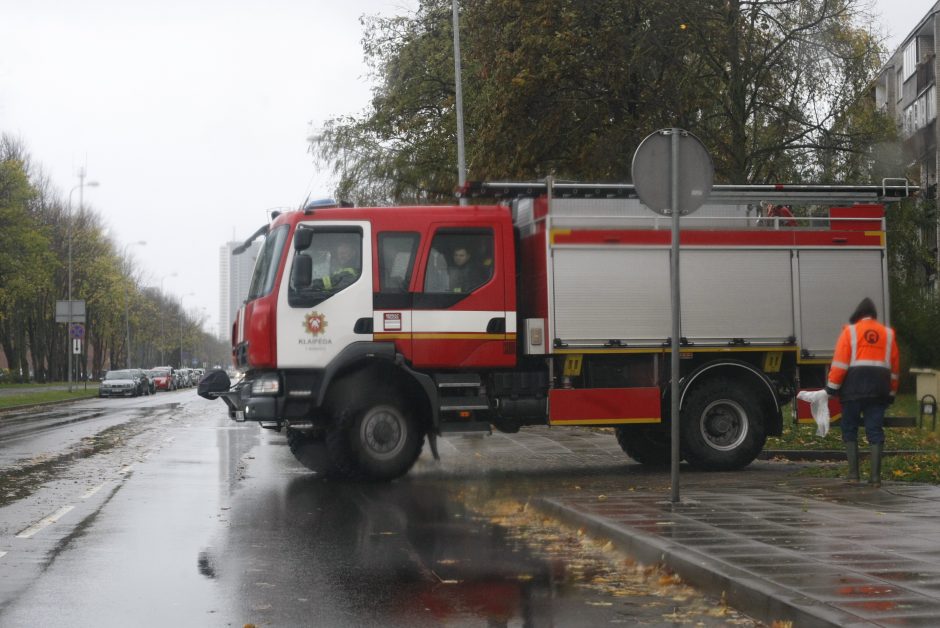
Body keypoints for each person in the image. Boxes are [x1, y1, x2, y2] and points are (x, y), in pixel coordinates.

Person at [824, 297, 900, 487]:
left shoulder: (850, 332)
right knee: (874, 429)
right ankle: (875, 478)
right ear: (874, 316)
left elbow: (840, 363)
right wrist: (891, 393)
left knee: (850, 427)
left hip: (853, 389)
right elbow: (895, 367)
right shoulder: (888, 334)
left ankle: (853, 475)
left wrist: (832, 387)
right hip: (879, 389)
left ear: (858, 316)